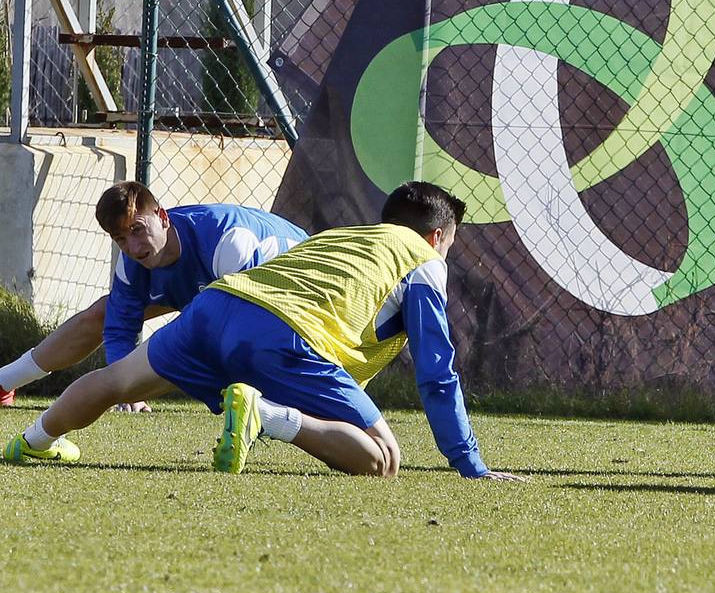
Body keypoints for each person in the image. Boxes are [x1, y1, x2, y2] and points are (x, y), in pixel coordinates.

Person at [2, 181, 520, 482]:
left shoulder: (344, 237)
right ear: (436, 236)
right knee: (383, 459)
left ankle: (32, 441)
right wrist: (468, 462)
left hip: (214, 307)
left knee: (117, 379)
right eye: (446, 244)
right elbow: (436, 373)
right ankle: (264, 415)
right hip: (279, 332)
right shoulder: (423, 258)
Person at [0, 181, 308, 410]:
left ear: (162, 216)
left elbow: (241, 328)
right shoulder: (135, 261)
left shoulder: (229, 242)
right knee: (103, 314)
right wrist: (124, 390)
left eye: (137, 229)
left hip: (297, 281)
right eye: (120, 238)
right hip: (213, 289)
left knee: (230, 339)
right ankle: (4, 381)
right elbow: (120, 328)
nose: (133, 247)